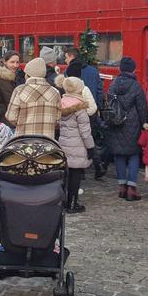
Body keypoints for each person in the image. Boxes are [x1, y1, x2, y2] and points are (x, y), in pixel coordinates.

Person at [107, 57, 148, 201]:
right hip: (133, 124)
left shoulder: (113, 84)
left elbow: (109, 105)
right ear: (132, 69)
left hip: (116, 123)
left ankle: (121, 187)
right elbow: (142, 107)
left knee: (119, 155)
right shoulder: (136, 86)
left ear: (120, 69)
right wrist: (145, 123)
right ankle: (132, 188)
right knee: (133, 155)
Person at [59, 77, 96, 213]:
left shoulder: (61, 104)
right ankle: (72, 203)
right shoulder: (80, 108)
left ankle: (61, 202)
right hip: (78, 146)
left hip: (63, 144)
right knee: (75, 175)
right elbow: (85, 132)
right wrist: (90, 148)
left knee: (64, 175)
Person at [6, 57, 61, 138]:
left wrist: (23, 123)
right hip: (47, 141)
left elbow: (11, 117)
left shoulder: (19, 90)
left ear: (28, 75)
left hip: (24, 139)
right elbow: (57, 120)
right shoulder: (55, 92)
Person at [0, 50, 20, 126]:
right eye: (12, 62)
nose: (15, 65)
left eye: (17, 62)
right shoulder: (3, 78)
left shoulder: (8, 75)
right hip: (7, 118)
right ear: (5, 62)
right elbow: (9, 100)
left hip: (3, 115)